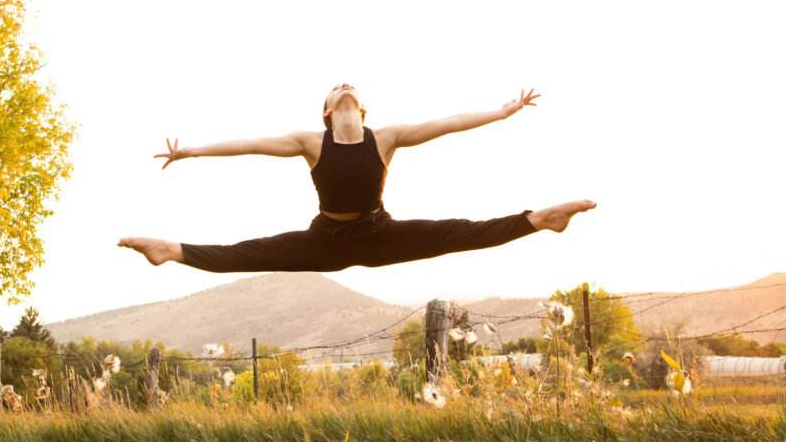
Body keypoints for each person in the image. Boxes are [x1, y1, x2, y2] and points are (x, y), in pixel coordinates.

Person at [118, 84, 595, 272]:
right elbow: (251, 145)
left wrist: (500, 113)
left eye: (351, 89)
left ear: (361, 109)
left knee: (457, 232)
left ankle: (540, 219)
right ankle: (169, 251)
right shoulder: (310, 142)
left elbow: (448, 123)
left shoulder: (385, 138)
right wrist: (192, 152)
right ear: (328, 111)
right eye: (336, 91)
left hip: (377, 234)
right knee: (251, 252)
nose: (345, 87)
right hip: (325, 240)